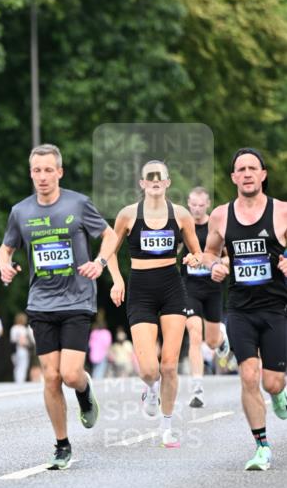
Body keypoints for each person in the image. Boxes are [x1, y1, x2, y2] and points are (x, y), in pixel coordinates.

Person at [0, 142, 118, 470]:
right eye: (37, 170)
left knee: (69, 374)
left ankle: (83, 389)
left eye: (49, 170)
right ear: (31, 173)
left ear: (59, 172)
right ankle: (62, 445)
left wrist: (100, 262)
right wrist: (3, 266)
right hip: (41, 302)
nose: (42, 176)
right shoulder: (21, 212)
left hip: (78, 299)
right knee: (50, 377)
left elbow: (109, 235)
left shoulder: (78, 204)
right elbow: (5, 249)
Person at [107, 159, 203, 448]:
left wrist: (194, 258)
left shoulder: (182, 215)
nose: (155, 181)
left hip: (172, 287)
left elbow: (197, 252)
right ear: (142, 183)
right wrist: (117, 280)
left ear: (168, 182)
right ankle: (150, 388)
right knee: (150, 369)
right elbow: (109, 251)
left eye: (160, 177)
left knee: (170, 365)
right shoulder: (127, 215)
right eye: (150, 177)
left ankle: (167, 426)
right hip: (140, 289)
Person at [202, 148, 287, 471]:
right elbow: (210, 252)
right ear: (234, 177)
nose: (248, 173)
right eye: (241, 169)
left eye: (254, 168)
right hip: (239, 309)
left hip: (276, 308)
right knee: (248, 376)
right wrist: (215, 266)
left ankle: (279, 394)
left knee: (272, 382)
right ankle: (262, 446)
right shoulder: (221, 215)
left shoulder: (281, 211)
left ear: (264, 175)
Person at [182, 186, 231, 407]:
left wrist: (216, 263)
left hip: (212, 288)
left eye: (201, 205)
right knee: (194, 334)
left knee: (211, 342)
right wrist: (184, 259)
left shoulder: (217, 225)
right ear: (188, 204)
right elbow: (171, 252)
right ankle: (197, 388)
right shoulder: (184, 225)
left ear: (208, 204)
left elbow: (232, 258)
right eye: (193, 204)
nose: (197, 209)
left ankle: (221, 338)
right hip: (189, 288)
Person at [9, 312, 33, 384]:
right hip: (22, 349)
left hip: (14, 350)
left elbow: (12, 339)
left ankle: (17, 380)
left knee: (16, 366)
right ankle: (21, 381)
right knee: (23, 366)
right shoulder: (23, 329)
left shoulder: (13, 328)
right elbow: (23, 341)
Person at [88, 312, 112, 379]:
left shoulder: (94, 333)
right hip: (102, 355)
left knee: (95, 371)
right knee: (100, 372)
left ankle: (94, 384)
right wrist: (110, 355)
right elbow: (107, 346)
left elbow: (89, 345)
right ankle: (97, 387)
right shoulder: (106, 333)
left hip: (93, 355)